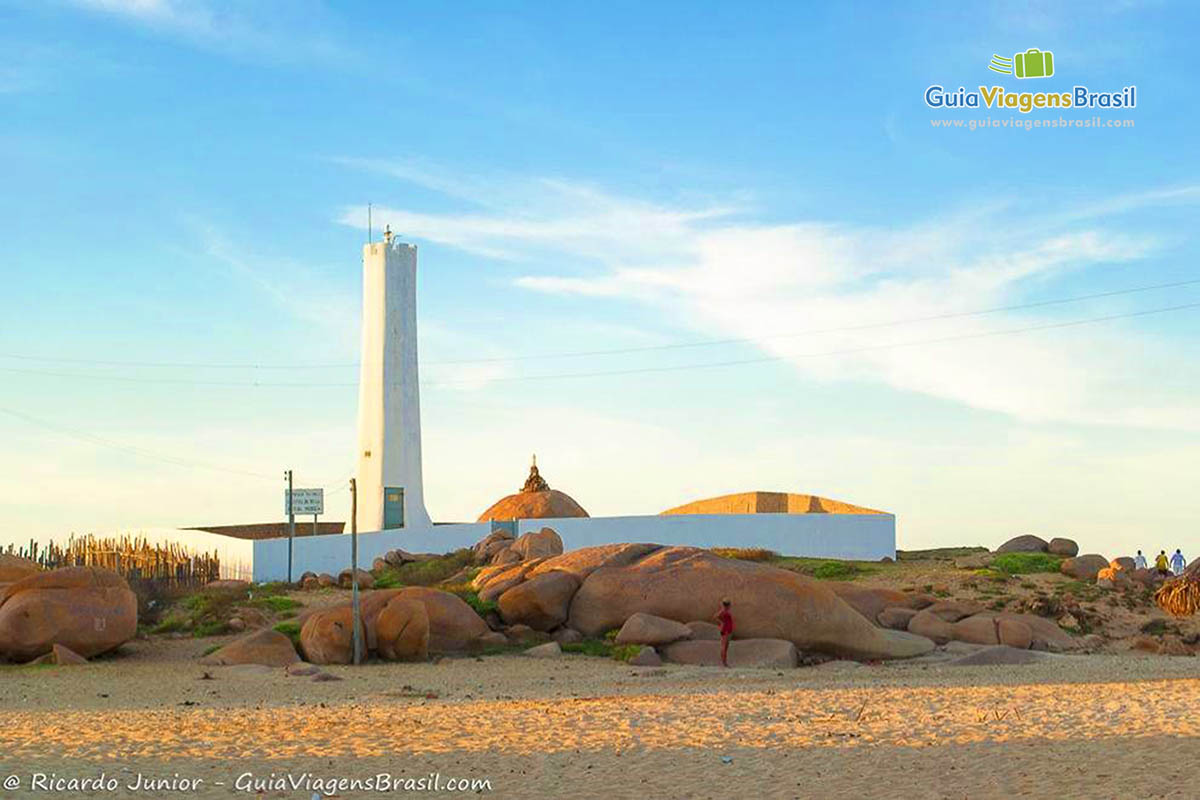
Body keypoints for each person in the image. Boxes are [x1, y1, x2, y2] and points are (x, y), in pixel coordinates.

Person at [714, 599, 734, 667]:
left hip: (728, 630)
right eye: (729, 605)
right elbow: (716, 616)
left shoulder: (726, 611)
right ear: (727, 605)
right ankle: (724, 663)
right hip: (725, 630)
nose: (730, 606)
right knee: (724, 646)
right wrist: (722, 623)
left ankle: (725, 662)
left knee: (726, 647)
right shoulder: (723, 611)